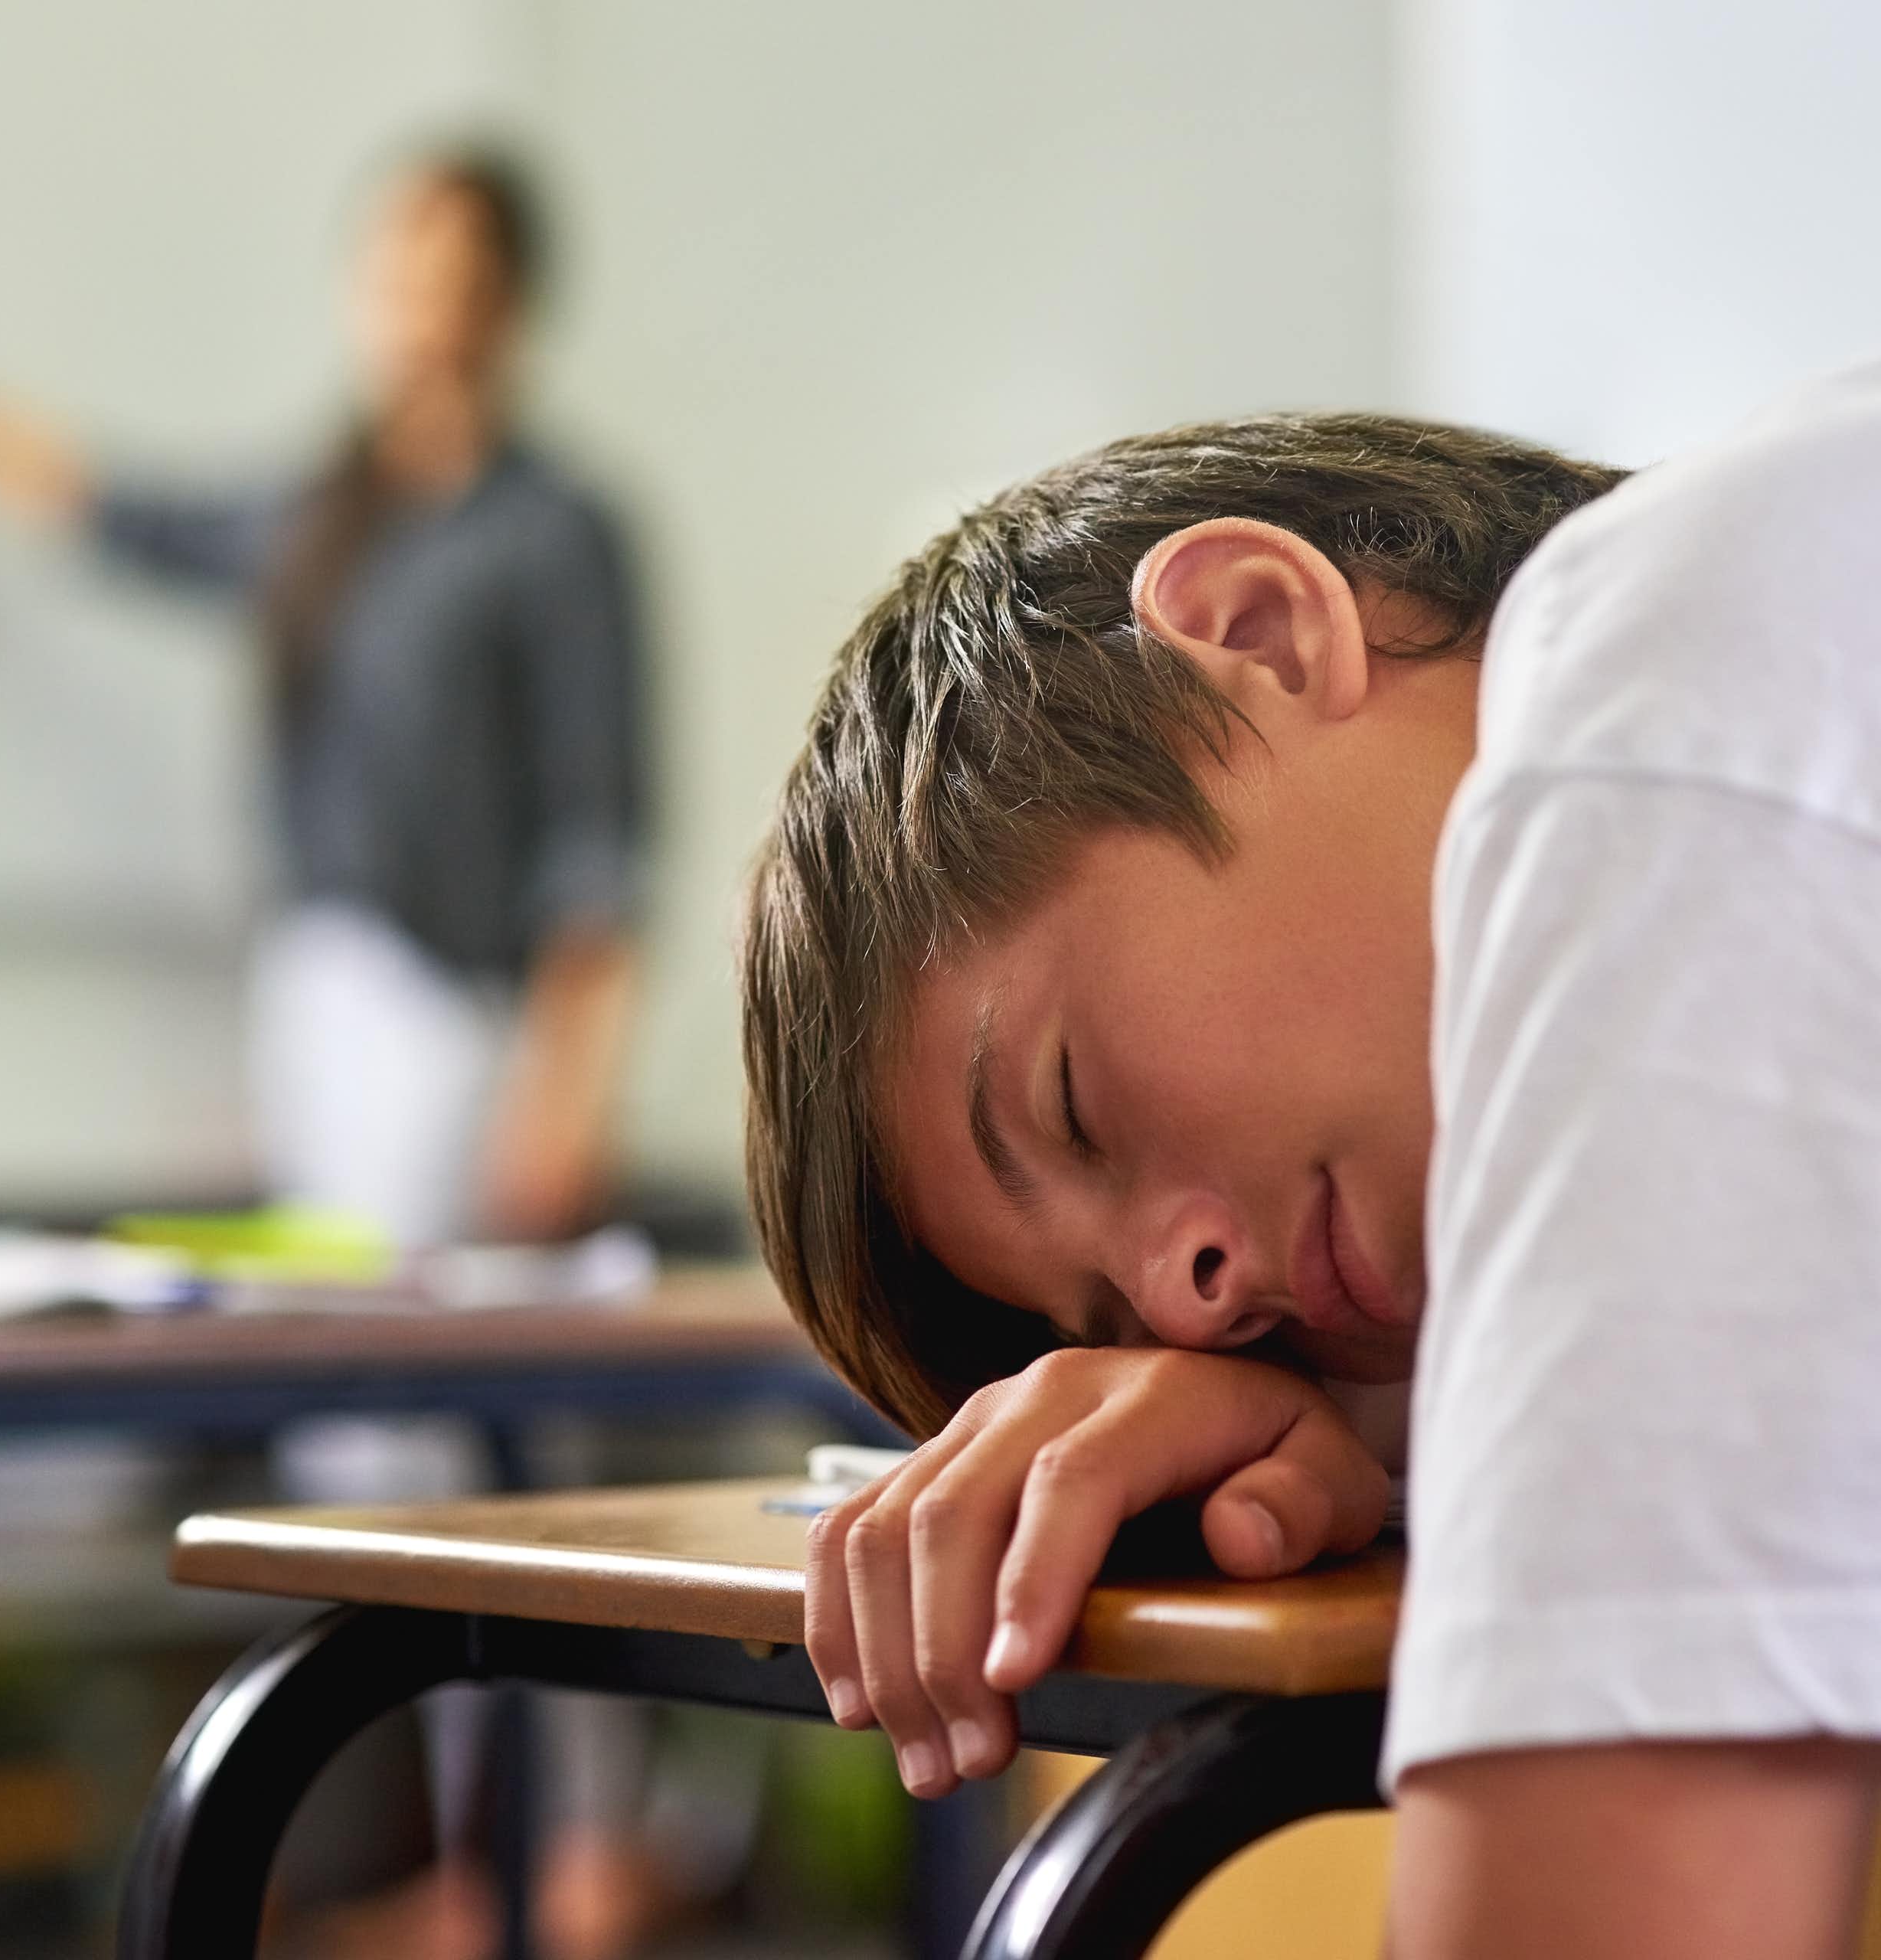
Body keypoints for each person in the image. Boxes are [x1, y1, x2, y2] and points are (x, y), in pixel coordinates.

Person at [742, 375, 1881, 1958]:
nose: (1185, 1297)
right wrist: (1359, 1443)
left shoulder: (1666, 686)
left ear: (1259, 632)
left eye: (1070, 1103)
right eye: (1109, 1320)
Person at [0, 145, 646, 1248]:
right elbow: (123, 513)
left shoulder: (553, 534)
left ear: (509, 306)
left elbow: (598, 836)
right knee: (322, 1330)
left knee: (412, 1368)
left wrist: (567, 1090)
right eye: (397, 280)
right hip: (315, 995)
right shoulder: (323, 518)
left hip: (454, 1015)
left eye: (452, 283)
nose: (420, 318)